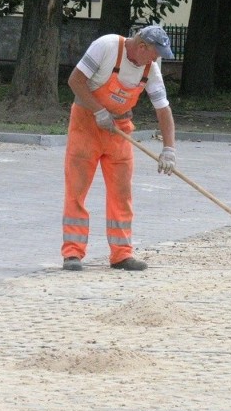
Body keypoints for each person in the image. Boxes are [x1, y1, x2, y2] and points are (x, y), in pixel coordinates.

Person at [61, 25, 177, 272]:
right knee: (77, 191)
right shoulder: (107, 46)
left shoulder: (150, 70)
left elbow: (163, 109)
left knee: (121, 195)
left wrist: (169, 149)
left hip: (120, 131)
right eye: (155, 52)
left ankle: (121, 254)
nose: (157, 59)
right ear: (142, 46)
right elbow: (75, 80)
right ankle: (73, 253)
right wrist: (99, 111)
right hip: (86, 126)